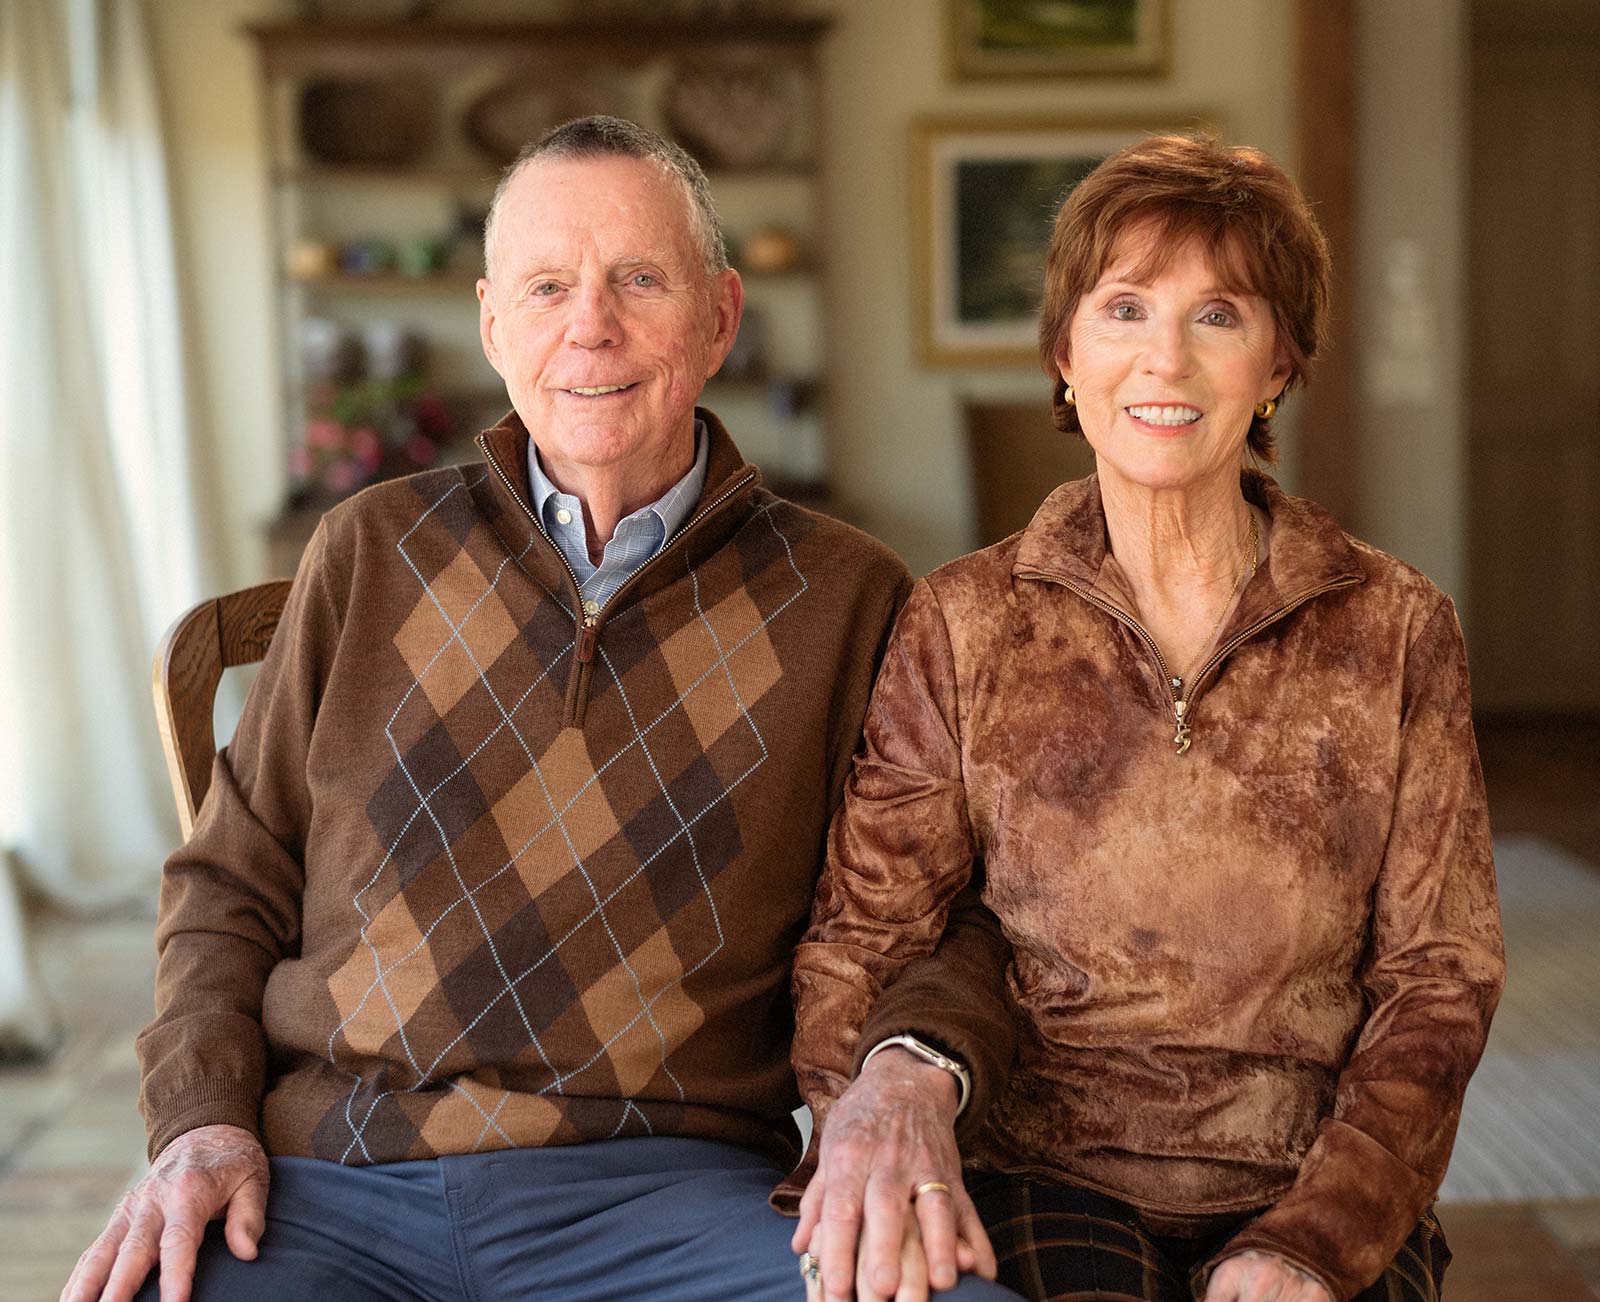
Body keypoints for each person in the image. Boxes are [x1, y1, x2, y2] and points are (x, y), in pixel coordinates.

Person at [62, 116, 1014, 1302]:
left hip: (672, 1193)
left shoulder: (850, 596)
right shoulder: (368, 550)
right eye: (548, 285)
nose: (590, 325)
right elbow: (228, 884)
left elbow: (957, 916)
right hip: (332, 1180)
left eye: (637, 281)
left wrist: (906, 1075)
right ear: (491, 323)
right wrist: (200, 1122)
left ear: (719, 319)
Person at [783, 133, 1505, 1302]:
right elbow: (866, 940)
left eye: (1219, 316)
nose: (1163, 358)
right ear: (1066, 354)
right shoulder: (965, 620)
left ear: (1279, 363)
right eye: (1123, 309)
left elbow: (1441, 976)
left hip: (1307, 1174)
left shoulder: (1396, 627)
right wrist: (864, 1147)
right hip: (1042, 1170)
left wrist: (1315, 1237)